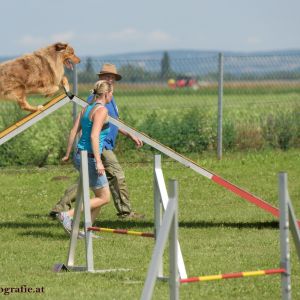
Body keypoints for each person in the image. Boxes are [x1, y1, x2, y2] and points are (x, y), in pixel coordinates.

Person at [50, 63, 145, 219]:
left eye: (113, 78)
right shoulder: (96, 100)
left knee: (86, 181)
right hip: (100, 146)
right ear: (101, 79)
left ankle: (61, 208)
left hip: (95, 148)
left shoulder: (110, 100)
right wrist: (98, 160)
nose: (110, 80)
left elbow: (114, 122)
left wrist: (130, 134)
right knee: (116, 176)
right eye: (107, 77)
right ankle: (125, 212)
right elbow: (92, 131)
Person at [57, 80, 112, 235]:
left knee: (99, 196)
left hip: (79, 155)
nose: (112, 96)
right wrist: (99, 161)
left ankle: (88, 230)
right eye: (112, 93)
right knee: (105, 197)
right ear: (107, 94)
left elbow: (74, 131)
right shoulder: (102, 111)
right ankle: (66, 215)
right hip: (90, 157)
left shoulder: (87, 109)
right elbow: (95, 136)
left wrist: (68, 153)